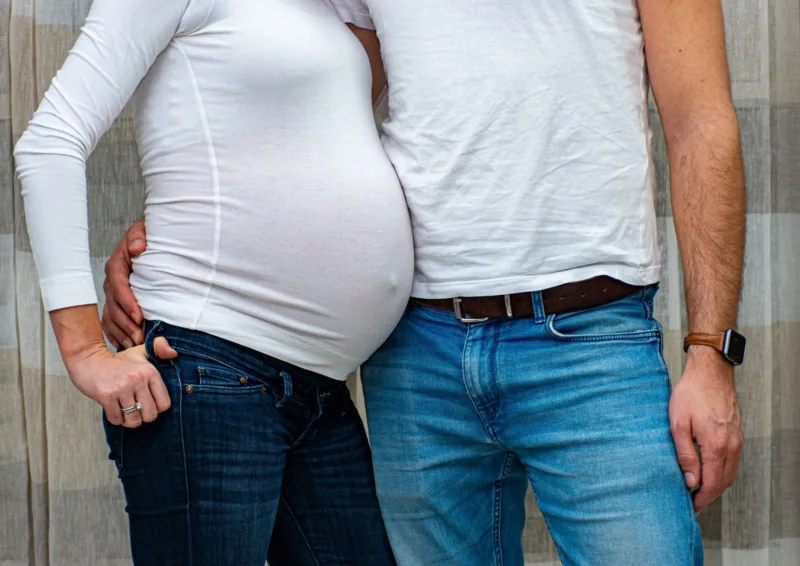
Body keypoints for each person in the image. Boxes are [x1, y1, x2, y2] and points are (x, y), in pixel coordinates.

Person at [105, 0, 748, 565]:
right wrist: (188, 216)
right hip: (415, 354)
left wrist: (712, 354)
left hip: (589, 340)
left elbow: (700, 123)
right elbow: (309, 108)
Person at [13, 0, 413, 564]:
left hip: (318, 389)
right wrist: (83, 349)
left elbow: (298, 134)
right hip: (211, 368)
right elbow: (50, 141)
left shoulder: (329, 9)